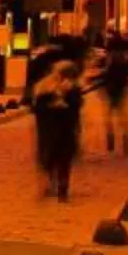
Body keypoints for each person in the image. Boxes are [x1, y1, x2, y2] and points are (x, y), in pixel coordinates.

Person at [32, 49, 83, 201]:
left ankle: (62, 188)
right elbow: (37, 109)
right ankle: (51, 183)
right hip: (49, 130)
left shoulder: (74, 90)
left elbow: (76, 108)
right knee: (49, 158)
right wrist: (52, 103)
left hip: (66, 131)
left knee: (63, 160)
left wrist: (66, 100)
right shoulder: (44, 87)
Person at [97, 32, 128, 157]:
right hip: (118, 89)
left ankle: (113, 138)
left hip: (113, 89)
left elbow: (106, 73)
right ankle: (124, 140)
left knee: (112, 115)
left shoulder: (112, 59)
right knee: (120, 115)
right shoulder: (124, 59)